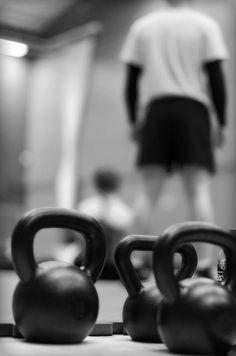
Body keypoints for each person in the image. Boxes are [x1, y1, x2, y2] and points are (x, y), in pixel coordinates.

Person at [120, 0, 228, 276]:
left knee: (147, 191)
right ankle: (204, 266)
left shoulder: (142, 26)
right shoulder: (205, 24)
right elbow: (217, 79)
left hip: (156, 111)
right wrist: (222, 122)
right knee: (199, 190)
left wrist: (134, 121)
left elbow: (131, 82)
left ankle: (132, 265)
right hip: (192, 111)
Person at [77, 167, 134, 279]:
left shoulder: (83, 207)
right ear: (117, 185)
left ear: (96, 184)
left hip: (85, 267)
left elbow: (77, 237)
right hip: (116, 269)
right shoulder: (125, 212)